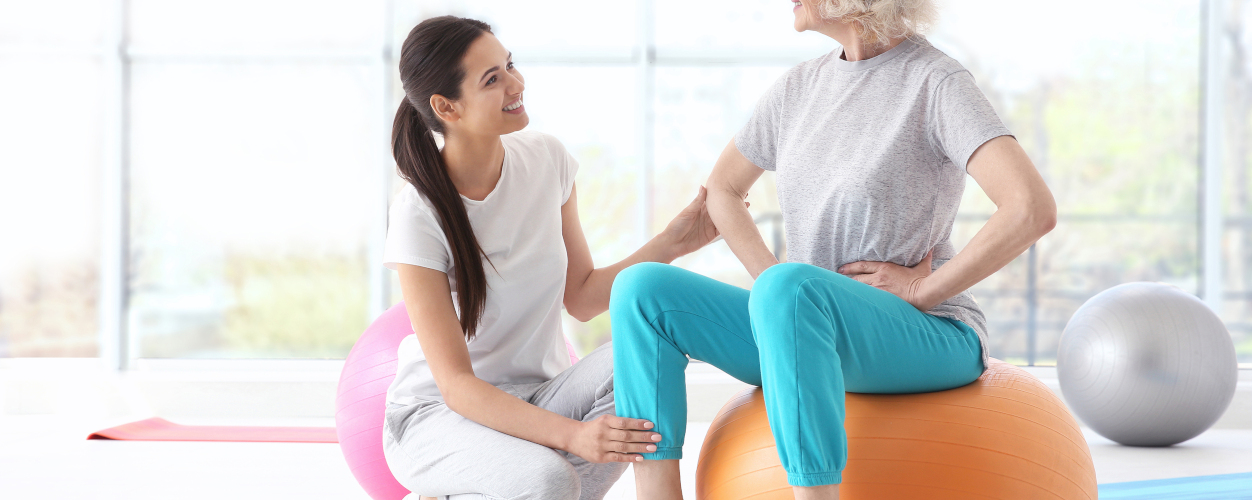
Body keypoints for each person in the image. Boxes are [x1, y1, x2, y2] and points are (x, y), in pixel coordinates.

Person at [610, 0, 1057, 499]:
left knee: (790, 287)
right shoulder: (798, 88)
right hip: (801, 328)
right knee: (641, 289)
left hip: (923, 333)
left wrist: (924, 291)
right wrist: (770, 295)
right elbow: (722, 190)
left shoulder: (935, 83)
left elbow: (1030, 207)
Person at [380, 16, 724, 500]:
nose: (516, 84)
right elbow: (456, 385)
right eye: (492, 79)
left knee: (652, 345)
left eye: (510, 65)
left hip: (539, 395)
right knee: (549, 480)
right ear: (446, 107)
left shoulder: (547, 161)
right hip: (438, 415)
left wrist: (673, 241)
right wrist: (573, 437)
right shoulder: (419, 212)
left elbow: (581, 297)